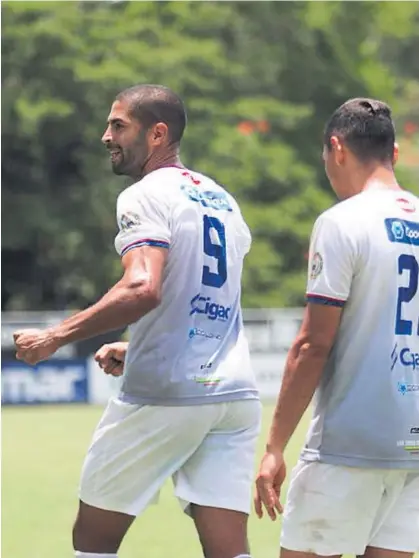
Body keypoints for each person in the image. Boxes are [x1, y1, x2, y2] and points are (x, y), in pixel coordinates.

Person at [13, 84, 261, 558]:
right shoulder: (222, 199)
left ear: (157, 134)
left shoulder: (145, 194)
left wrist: (55, 336)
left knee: (93, 540)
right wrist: (137, 344)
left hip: (169, 392)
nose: (105, 135)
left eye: (118, 125)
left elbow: (143, 287)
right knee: (229, 551)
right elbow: (207, 294)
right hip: (235, 396)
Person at [254, 97, 419, 558]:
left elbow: (312, 344)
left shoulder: (342, 222)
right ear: (395, 154)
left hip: (349, 445)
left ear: (336, 148)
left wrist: (274, 447)